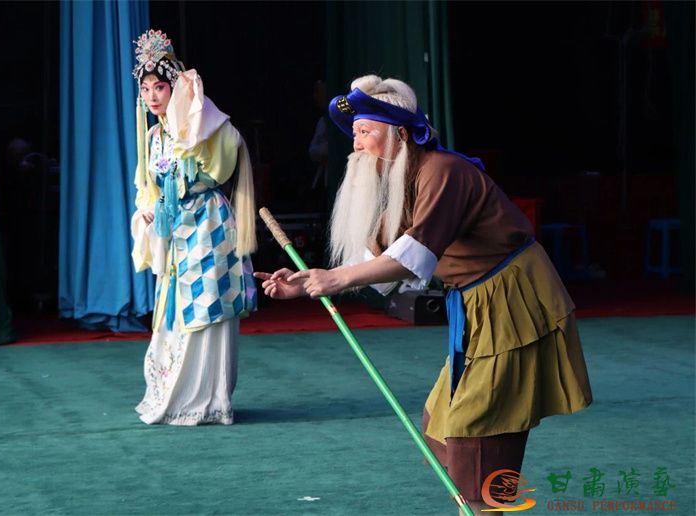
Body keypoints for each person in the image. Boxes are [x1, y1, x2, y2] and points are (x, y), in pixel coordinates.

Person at [254, 75, 592, 514]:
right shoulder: (405, 178)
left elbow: (412, 256)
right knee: (442, 421)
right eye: (354, 133)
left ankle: (487, 507)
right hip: (475, 304)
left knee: (479, 428)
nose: (356, 145)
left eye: (365, 131)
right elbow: (378, 252)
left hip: (513, 301)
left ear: (399, 134)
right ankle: (482, 503)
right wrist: (307, 282)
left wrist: (337, 281)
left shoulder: (442, 171)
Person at [129, 30, 257, 426]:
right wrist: (148, 210)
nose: (152, 96)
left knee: (208, 307)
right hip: (175, 230)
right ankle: (173, 393)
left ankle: (209, 399)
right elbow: (147, 187)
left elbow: (229, 152)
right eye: (146, 89)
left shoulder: (205, 126)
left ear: (176, 87)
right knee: (175, 309)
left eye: (160, 87)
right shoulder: (154, 136)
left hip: (207, 225)